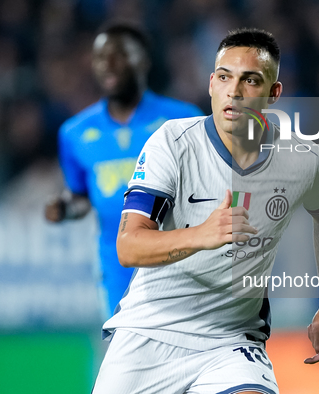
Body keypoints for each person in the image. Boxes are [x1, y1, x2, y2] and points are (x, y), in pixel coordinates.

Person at [92, 28, 319, 394]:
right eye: (225, 77)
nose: (235, 92)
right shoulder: (173, 143)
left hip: (231, 340)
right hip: (150, 332)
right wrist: (201, 235)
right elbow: (128, 246)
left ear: (274, 93)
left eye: (251, 80)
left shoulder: (305, 162)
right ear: (212, 84)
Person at [44, 22, 203, 317]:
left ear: (143, 60)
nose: (108, 65)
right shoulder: (75, 132)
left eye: (119, 55)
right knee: (125, 358)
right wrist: (65, 208)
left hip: (178, 264)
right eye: (100, 57)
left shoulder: (185, 120)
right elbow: (82, 197)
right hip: (117, 269)